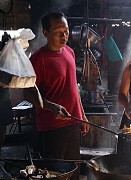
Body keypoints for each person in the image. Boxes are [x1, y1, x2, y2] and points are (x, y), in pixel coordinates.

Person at [23, 11, 89, 180]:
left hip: (73, 122)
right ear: (45, 33)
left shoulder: (69, 52)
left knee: (73, 171)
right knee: (52, 174)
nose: (64, 35)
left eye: (66, 31)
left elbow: (74, 87)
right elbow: (28, 93)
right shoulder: (38, 60)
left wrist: (82, 115)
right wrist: (51, 107)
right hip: (51, 127)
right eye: (58, 32)